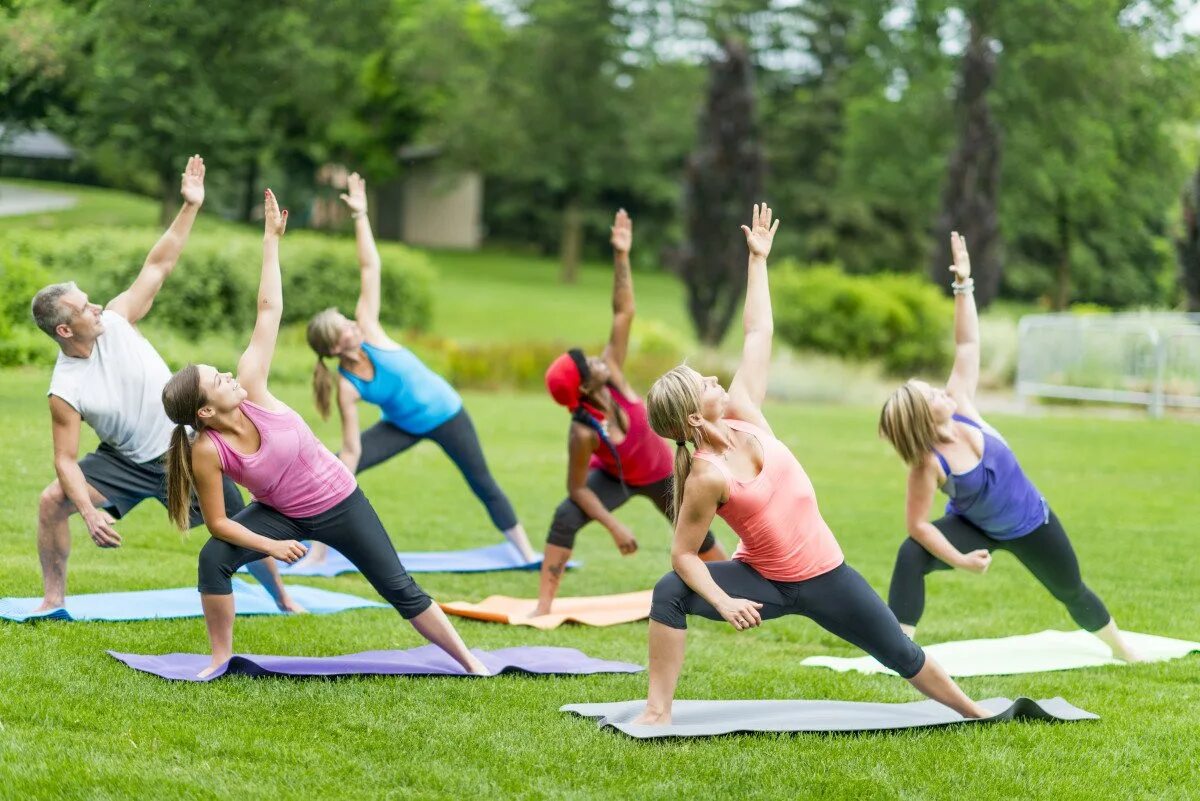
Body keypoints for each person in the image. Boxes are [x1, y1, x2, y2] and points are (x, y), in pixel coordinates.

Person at [634, 204, 989, 725]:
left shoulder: (743, 412)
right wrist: (725, 600)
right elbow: (683, 556)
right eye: (704, 384)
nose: (715, 380)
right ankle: (656, 710)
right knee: (669, 593)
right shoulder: (707, 474)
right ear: (692, 416)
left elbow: (758, 335)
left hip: (827, 575)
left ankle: (976, 714)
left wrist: (757, 262)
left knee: (900, 654)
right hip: (766, 582)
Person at [162, 189, 487, 678]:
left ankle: (470, 662)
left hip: (341, 502)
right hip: (281, 516)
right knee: (214, 559)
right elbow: (219, 524)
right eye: (217, 379)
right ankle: (219, 659)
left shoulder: (251, 388)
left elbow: (268, 310)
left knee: (399, 588)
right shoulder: (207, 450)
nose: (228, 375)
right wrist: (270, 546)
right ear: (205, 410)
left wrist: (271, 240)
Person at [28, 154, 297, 614]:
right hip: (126, 462)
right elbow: (65, 461)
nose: (95, 309)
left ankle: (285, 600)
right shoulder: (65, 390)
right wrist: (91, 515)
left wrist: (190, 205)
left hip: (186, 448)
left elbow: (160, 264)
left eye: (91, 302)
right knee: (52, 502)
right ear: (65, 331)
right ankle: (53, 600)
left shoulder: (116, 319)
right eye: (84, 309)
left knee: (236, 521)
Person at [878, 232, 1140, 661]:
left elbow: (967, 344)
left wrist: (964, 285)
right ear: (924, 419)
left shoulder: (961, 404)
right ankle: (897, 651)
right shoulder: (928, 465)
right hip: (975, 526)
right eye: (933, 396)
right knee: (912, 556)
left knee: (1071, 589)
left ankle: (1122, 648)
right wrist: (962, 562)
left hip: (1030, 522)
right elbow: (919, 526)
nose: (943, 393)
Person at [304, 172, 535, 565]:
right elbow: (353, 448)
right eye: (345, 329)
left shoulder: (371, 330)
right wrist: (341, 474)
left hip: (447, 414)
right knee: (338, 471)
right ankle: (318, 551)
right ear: (334, 347)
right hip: (403, 426)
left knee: (482, 482)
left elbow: (369, 269)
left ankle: (527, 552)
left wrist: (361, 216)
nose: (354, 326)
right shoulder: (348, 386)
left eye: (349, 322)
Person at [535, 209, 727, 616]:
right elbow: (578, 488)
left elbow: (623, 313)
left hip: (660, 472)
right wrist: (614, 525)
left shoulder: (615, 377)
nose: (598, 359)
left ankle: (728, 593)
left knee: (697, 537)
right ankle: (543, 606)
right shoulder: (582, 431)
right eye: (590, 365)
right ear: (585, 387)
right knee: (565, 516)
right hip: (616, 479)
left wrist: (621, 255)